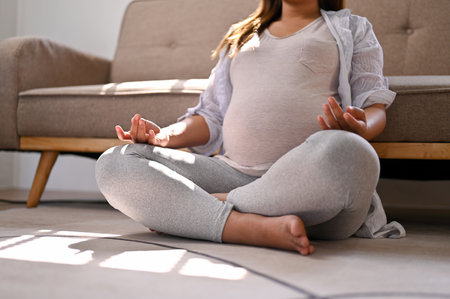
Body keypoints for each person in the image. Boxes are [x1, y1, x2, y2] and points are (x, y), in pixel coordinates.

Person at [95, 0, 405, 256]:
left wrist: (360, 128)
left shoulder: (351, 28)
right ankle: (249, 227)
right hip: (230, 172)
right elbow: (211, 116)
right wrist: (163, 136)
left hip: (310, 185)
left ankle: (205, 209)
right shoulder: (241, 36)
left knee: (352, 152)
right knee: (116, 161)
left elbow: (374, 107)